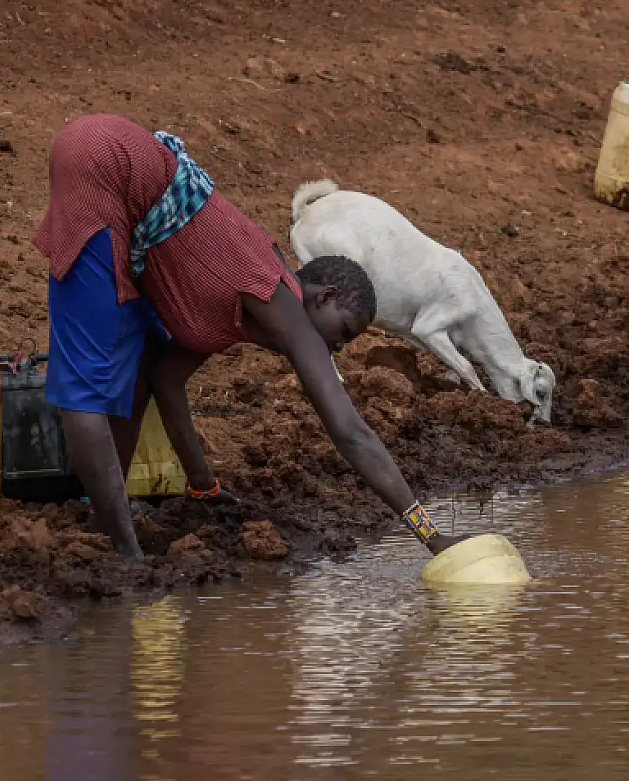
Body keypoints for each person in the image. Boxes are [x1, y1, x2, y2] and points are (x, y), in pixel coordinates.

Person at [32, 113, 462, 560]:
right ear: (322, 296)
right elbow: (351, 433)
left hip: (113, 168)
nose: (336, 347)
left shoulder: (236, 317)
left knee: (137, 367)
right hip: (105, 162)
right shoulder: (280, 299)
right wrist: (431, 536)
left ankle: (104, 521)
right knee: (86, 390)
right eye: (344, 331)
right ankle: (125, 554)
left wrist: (204, 485)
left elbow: (166, 380)